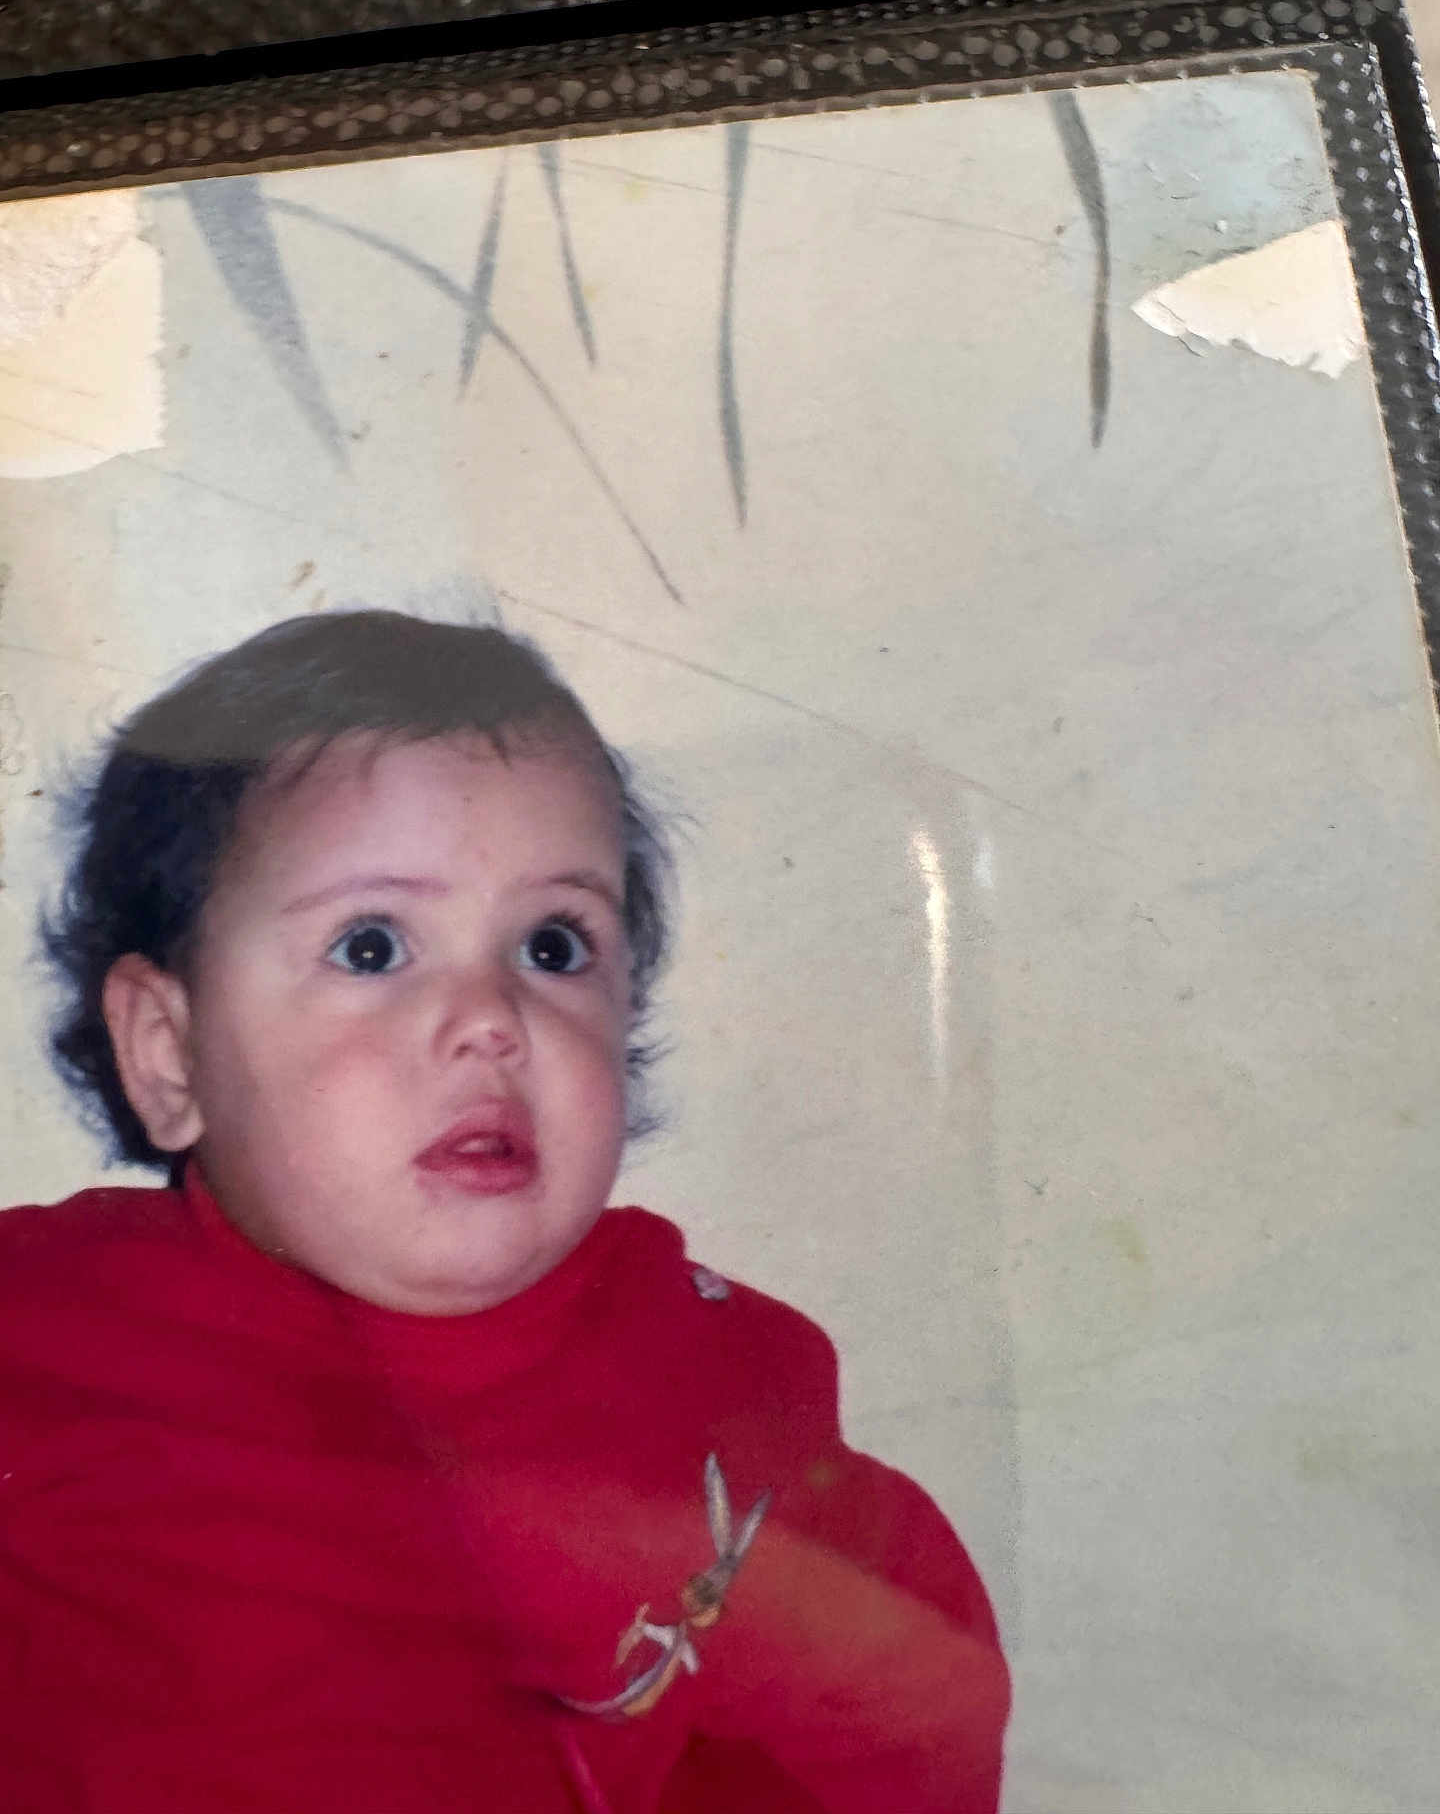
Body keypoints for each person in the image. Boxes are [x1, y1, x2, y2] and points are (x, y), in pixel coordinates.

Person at [0, 610, 1009, 1812]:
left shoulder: (708, 1383)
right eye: (373, 948)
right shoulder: (46, 1326)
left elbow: (902, 1712)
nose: (492, 1018)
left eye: (552, 945)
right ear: (169, 1058)